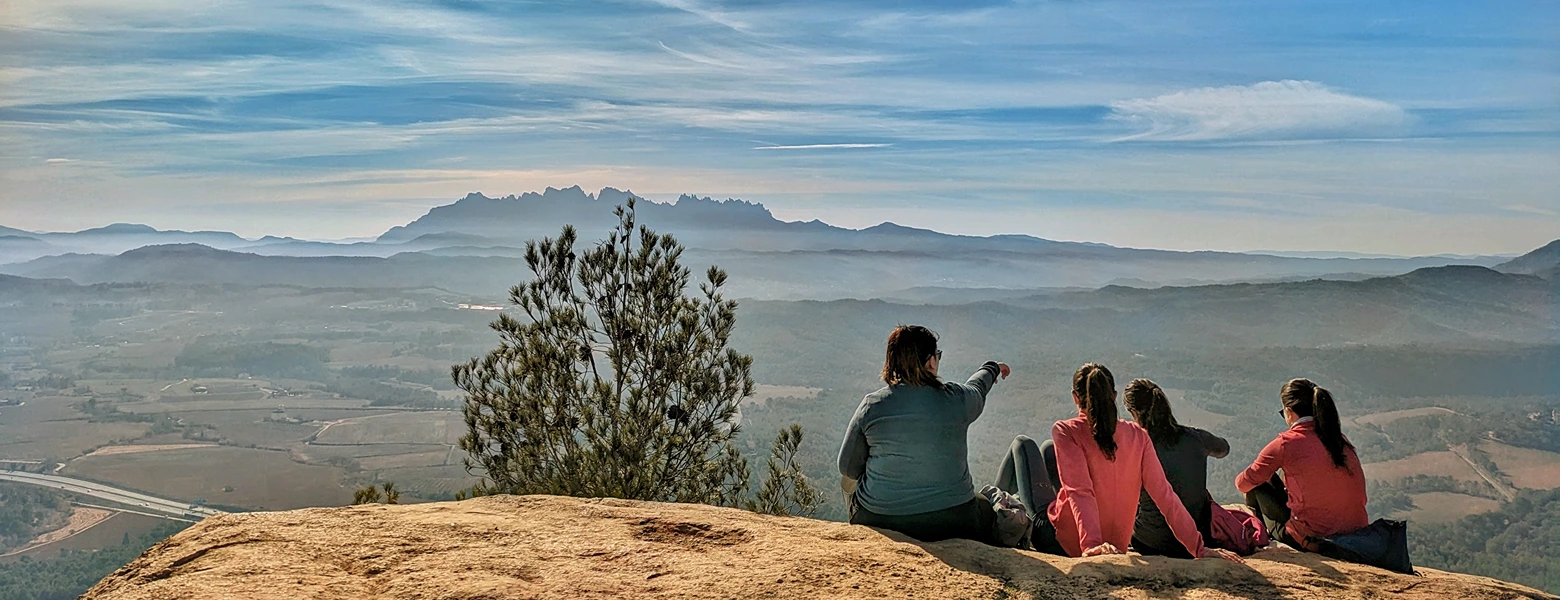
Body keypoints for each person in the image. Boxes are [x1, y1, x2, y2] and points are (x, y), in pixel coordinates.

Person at [995, 363, 1242, 562]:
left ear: (1075, 398)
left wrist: (1091, 545)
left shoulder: (1066, 430)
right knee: (1049, 451)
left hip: (1063, 540)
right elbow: (1165, 496)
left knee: (1023, 445)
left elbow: (1080, 491)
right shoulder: (1138, 435)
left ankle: (994, 515)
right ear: (1113, 396)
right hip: (1117, 545)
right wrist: (1198, 548)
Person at [838, 324, 1010, 543]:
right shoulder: (957, 399)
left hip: (880, 519)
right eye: (937, 356)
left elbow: (848, 468)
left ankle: (860, 534)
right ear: (930, 361)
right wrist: (992, 367)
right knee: (985, 504)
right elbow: (977, 388)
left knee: (846, 479)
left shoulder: (872, 406)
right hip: (956, 520)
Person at [1235, 378, 1369, 551]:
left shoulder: (1286, 443)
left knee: (1257, 485)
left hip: (1312, 539)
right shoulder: (1339, 439)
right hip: (1356, 534)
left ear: (1289, 412)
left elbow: (1243, 483)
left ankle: (1258, 540)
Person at [1122, 379, 1230, 558]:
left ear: (1133, 412)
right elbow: (1224, 449)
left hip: (1151, 541)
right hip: (1200, 536)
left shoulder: (1137, 448)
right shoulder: (1196, 437)